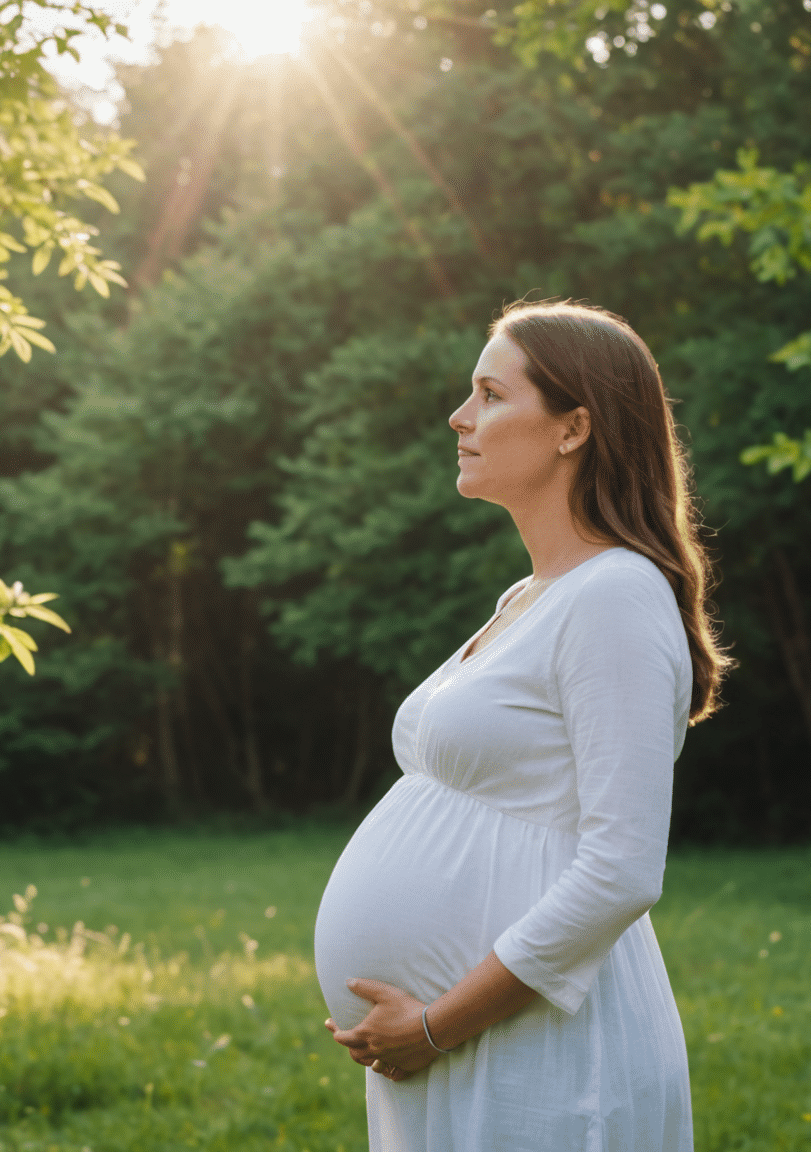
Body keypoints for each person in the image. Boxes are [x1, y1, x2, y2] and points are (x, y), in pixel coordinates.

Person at [312, 300, 729, 1150]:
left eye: (490, 395)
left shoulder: (617, 594)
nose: (459, 417)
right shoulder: (531, 597)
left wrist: (436, 1024)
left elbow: (621, 869)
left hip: (539, 1049)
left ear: (574, 427)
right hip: (468, 1045)